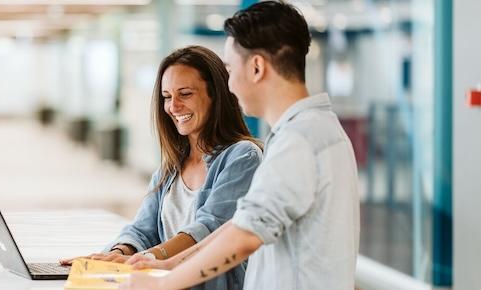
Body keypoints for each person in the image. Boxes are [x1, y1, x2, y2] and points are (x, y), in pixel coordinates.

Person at [119, 2, 361, 290]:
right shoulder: (318, 130)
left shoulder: (299, 141)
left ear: (257, 67)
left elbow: (246, 236)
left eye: (230, 68)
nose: (229, 84)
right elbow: (235, 227)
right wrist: (166, 265)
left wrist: (163, 284)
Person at [60, 45, 263, 290]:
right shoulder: (172, 166)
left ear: (215, 96)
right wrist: (114, 256)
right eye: (167, 97)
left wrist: (148, 259)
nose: (173, 107)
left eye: (185, 94)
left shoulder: (242, 156)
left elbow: (209, 229)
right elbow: (142, 229)